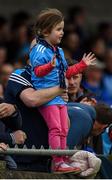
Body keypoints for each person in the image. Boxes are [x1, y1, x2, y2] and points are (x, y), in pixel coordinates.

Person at [29, 8, 96, 174]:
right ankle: (57, 161)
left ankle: (64, 159)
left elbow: (66, 72)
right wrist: (48, 67)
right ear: (45, 31)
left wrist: (81, 65)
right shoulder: (39, 50)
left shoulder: (58, 51)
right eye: (58, 29)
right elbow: (37, 71)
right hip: (47, 96)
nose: (62, 33)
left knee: (64, 129)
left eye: (62, 29)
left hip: (59, 97)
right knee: (56, 128)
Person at [4, 64, 68, 172]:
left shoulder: (52, 80)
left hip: (46, 160)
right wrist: (58, 91)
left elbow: (65, 125)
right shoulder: (21, 74)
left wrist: (60, 102)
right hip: (22, 157)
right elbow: (32, 100)